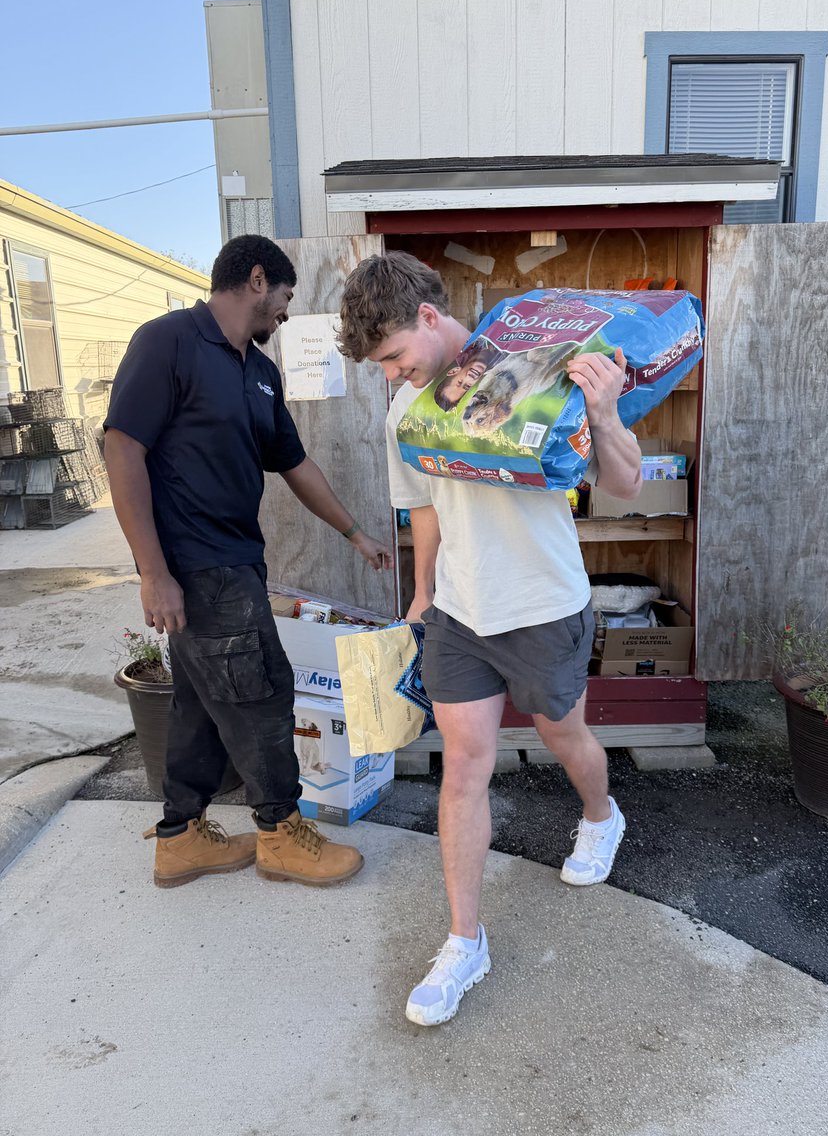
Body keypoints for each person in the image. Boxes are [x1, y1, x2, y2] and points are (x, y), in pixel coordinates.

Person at [337, 251, 641, 1026]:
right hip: (462, 617)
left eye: (398, 356)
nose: (395, 375)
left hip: (543, 603)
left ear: (430, 319)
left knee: (563, 734)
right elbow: (428, 510)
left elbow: (626, 485)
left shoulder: (537, 366)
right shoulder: (404, 411)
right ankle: (464, 941)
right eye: (384, 366)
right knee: (464, 765)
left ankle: (602, 817)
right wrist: (423, 596)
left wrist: (605, 415)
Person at [105, 235, 392, 890]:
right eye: (286, 298)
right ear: (258, 280)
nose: (286, 314)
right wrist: (153, 571)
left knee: (201, 705)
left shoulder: (258, 371)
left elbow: (293, 463)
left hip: (238, 560)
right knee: (261, 693)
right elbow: (122, 450)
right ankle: (280, 831)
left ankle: (179, 838)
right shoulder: (168, 342)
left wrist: (355, 533)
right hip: (196, 565)